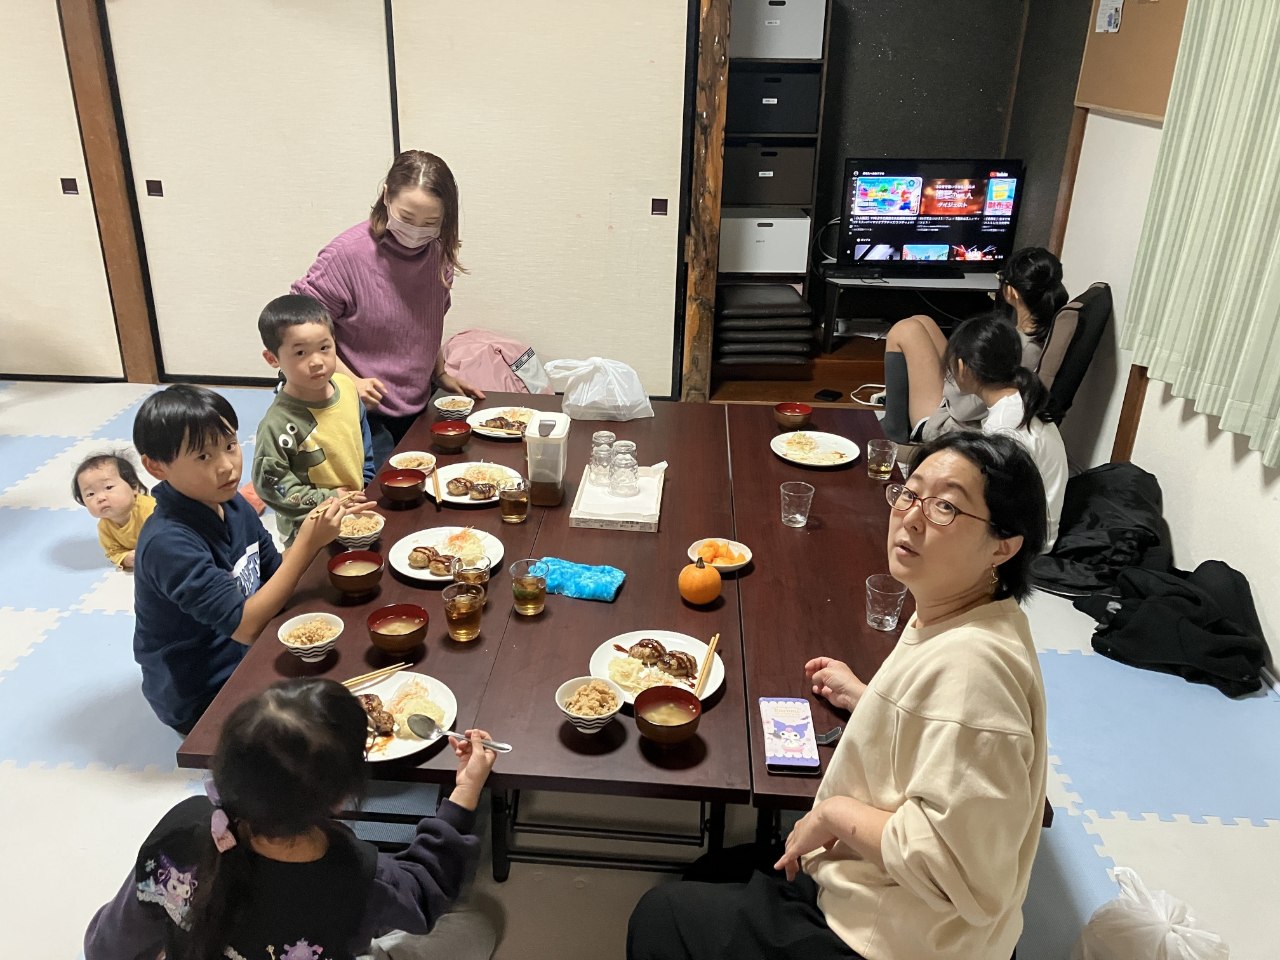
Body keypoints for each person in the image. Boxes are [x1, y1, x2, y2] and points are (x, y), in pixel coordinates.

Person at [628, 432, 1048, 960]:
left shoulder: (975, 672)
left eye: (945, 507)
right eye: (911, 493)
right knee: (711, 873)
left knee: (662, 916)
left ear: (1003, 546)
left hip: (897, 940)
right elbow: (945, 736)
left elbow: (958, 869)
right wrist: (874, 702)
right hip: (890, 902)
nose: (911, 517)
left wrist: (831, 815)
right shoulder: (973, 615)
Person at [84, 678, 500, 960]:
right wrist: (465, 790)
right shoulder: (358, 877)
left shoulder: (181, 830)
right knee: (478, 926)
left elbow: (104, 945)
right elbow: (424, 891)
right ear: (341, 797)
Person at [131, 385, 371, 734]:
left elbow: (275, 573)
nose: (227, 466)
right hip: (203, 690)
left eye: (230, 446)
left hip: (251, 651)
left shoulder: (231, 504)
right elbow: (245, 627)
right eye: (203, 456)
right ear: (156, 467)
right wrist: (307, 542)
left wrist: (323, 530)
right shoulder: (168, 543)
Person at [292, 150, 486, 466]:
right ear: (386, 196)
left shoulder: (438, 255)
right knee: (383, 489)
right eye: (407, 218)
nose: (416, 231)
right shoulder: (347, 255)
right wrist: (350, 382)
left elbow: (424, 322)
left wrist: (439, 373)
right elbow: (300, 329)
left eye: (431, 223)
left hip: (416, 403)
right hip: (359, 410)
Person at [879, 246, 1069, 444]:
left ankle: (894, 429)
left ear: (1011, 292)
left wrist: (950, 380)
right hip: (964, 398)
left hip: (952, 423)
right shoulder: (1039, 333)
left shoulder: (1022, 348)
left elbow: (964, 410)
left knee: (905, 330)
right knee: (923, 321)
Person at [252, 294, 377, 546]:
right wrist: (328, 499)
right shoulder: (278, 424)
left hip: (354, 511)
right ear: (272, 358)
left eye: (324, 348)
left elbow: (361, 439)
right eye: (300, 353)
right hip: (308, 527)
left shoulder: (346, 387)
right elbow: (271, 485)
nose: (317, 361)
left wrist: (365, 480)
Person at [945, 313, 1068, 549]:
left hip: (1028, 545)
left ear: (962, 367)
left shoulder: (1002, 427)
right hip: (1039, 530)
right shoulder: (1022, 401)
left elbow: (995, 503)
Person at [72, 452, 156, 569]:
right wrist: (125, 559)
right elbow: (113, 552)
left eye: (108, 487)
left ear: (133, 486)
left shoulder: (152, 510)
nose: (100, 498)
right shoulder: (105, 527)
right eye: (90, 494)